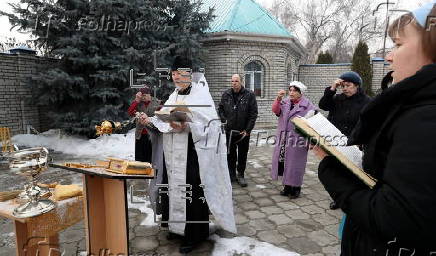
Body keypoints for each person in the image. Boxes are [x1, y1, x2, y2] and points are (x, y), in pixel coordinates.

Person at [313, 2, 436, 255]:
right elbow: (324, 104)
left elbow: (395, 216)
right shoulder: (409, 105)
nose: (389, 56)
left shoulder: (423, 116)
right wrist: (332, 89)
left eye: (399, 44)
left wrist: (329, 165)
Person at [148, 56, 236, 253]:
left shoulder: (201, 96)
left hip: (194, 154)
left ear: (190, 73)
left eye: (181, 73)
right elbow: (165, 117)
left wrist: (188, 125)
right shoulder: (175, 95)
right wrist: (156, 119)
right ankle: (177, 228)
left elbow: (212, 128)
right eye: (173, 73)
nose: (177, 77)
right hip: (174, 154)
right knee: (174, 189)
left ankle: (195, 234)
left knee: (193, 193)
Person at [318, 71, 371, 209]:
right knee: (336, 171)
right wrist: (332, 88)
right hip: (336, 141)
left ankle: (352, 198)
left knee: (350, 171)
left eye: (348, 85)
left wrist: (360, 140)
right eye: (343, 86)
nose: (345, 88)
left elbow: (369, 124)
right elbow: (323, 105)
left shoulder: (367, 102)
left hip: (354, 143)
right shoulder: (338, 99)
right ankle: (338, 198)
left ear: (357, 86)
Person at [271, 81, 317, 199]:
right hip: (284, 138)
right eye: (290, 90)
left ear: (300, 93)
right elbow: (275, 110)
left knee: (296, 165)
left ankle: (296, 188)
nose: (291, 93)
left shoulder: (308, 106)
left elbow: (314, 124)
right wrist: (278, 98)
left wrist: (312, 141)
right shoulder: (285, 102)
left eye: (294, 91)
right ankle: (287, 187)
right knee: (286, 163)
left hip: (299, 140)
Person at [218, 74, 258, 186]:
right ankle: (232, 175)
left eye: (236, 81)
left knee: (242, 154)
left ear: (241, 82)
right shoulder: (226, 94)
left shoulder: (249, 95)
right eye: (232, 81)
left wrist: (247, 130)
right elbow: (220, 109)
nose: (234, 83)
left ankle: (241, 174)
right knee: (230, 154)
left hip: (243, 132)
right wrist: (223, 119)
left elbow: (253, 114)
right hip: (229, 131)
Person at [127, 85, 160, 162]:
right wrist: (136, 100)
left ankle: (151, 172)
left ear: (149, 94)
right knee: (139, 158)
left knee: (151, 158)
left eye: (144, 95)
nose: (143, 97)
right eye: (141, 96)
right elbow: (130, 112)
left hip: (152, 134)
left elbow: (161, 118)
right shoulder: (138, 103)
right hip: (140, 134)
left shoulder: (157, 102)